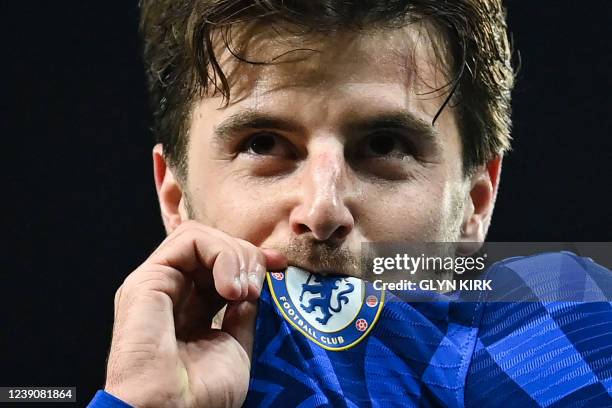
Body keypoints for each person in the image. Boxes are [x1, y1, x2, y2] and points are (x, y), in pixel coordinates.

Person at [88, 1, 612, 406]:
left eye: (384, 145)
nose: (322, 209)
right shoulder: (144, 390)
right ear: (174, 197)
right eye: (263, 144)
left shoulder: (557, 317)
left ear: (476, 202)